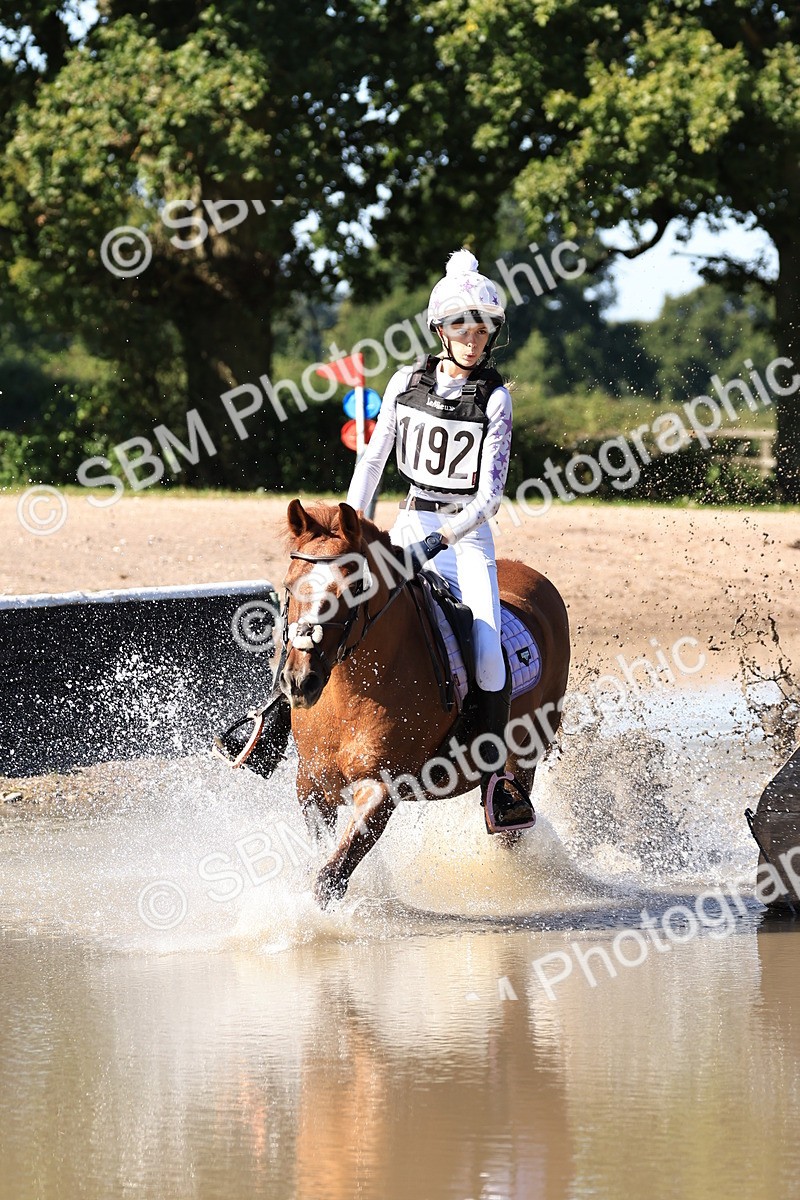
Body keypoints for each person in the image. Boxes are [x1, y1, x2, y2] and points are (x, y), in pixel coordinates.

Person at [345, 248, 535, 833]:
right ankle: (276, 717)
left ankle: (497, 777)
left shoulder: (496, 397)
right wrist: (353, 528)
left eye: (482, 327)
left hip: (467, 537)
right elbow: (374, 461)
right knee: (332, 603)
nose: (472, 337)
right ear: (440, 330)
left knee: (484, 649)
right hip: (408, 521)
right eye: (460, 325)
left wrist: (441, 540)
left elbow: (489, 498)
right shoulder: (406, 382)